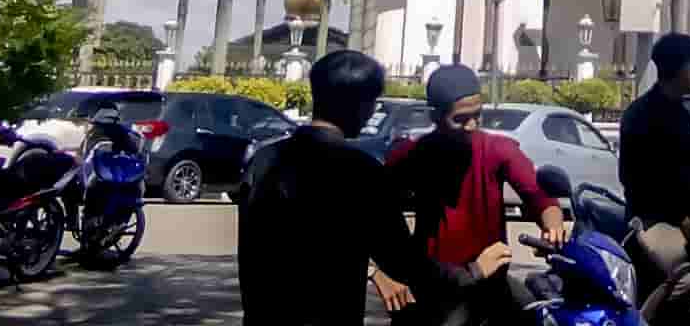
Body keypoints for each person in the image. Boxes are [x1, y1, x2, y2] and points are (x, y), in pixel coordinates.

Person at [238, 50, 509, 326]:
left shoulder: (262, 162)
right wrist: (473, 271)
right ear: (359, 106)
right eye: (372, 103)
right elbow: (406, 263)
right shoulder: (361, 172)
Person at [373, 63, 568, 324]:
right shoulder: (412, 155)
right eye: (460, 119)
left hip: (492, 284)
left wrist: (552, 224)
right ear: (435, 116)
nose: (471, 125)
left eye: (478, 115)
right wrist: (378, 272)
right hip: (436, 288)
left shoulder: (498, 149)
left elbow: (537, 194)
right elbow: (372, 211)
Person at [617, 33, 690, 273]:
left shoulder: (680, 113)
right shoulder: (640, 116)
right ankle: (648, 312)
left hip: (686, 218)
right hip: (652, 220)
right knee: (688, 277)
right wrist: (681, 216)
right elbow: (639, 179)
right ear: (681, 68)